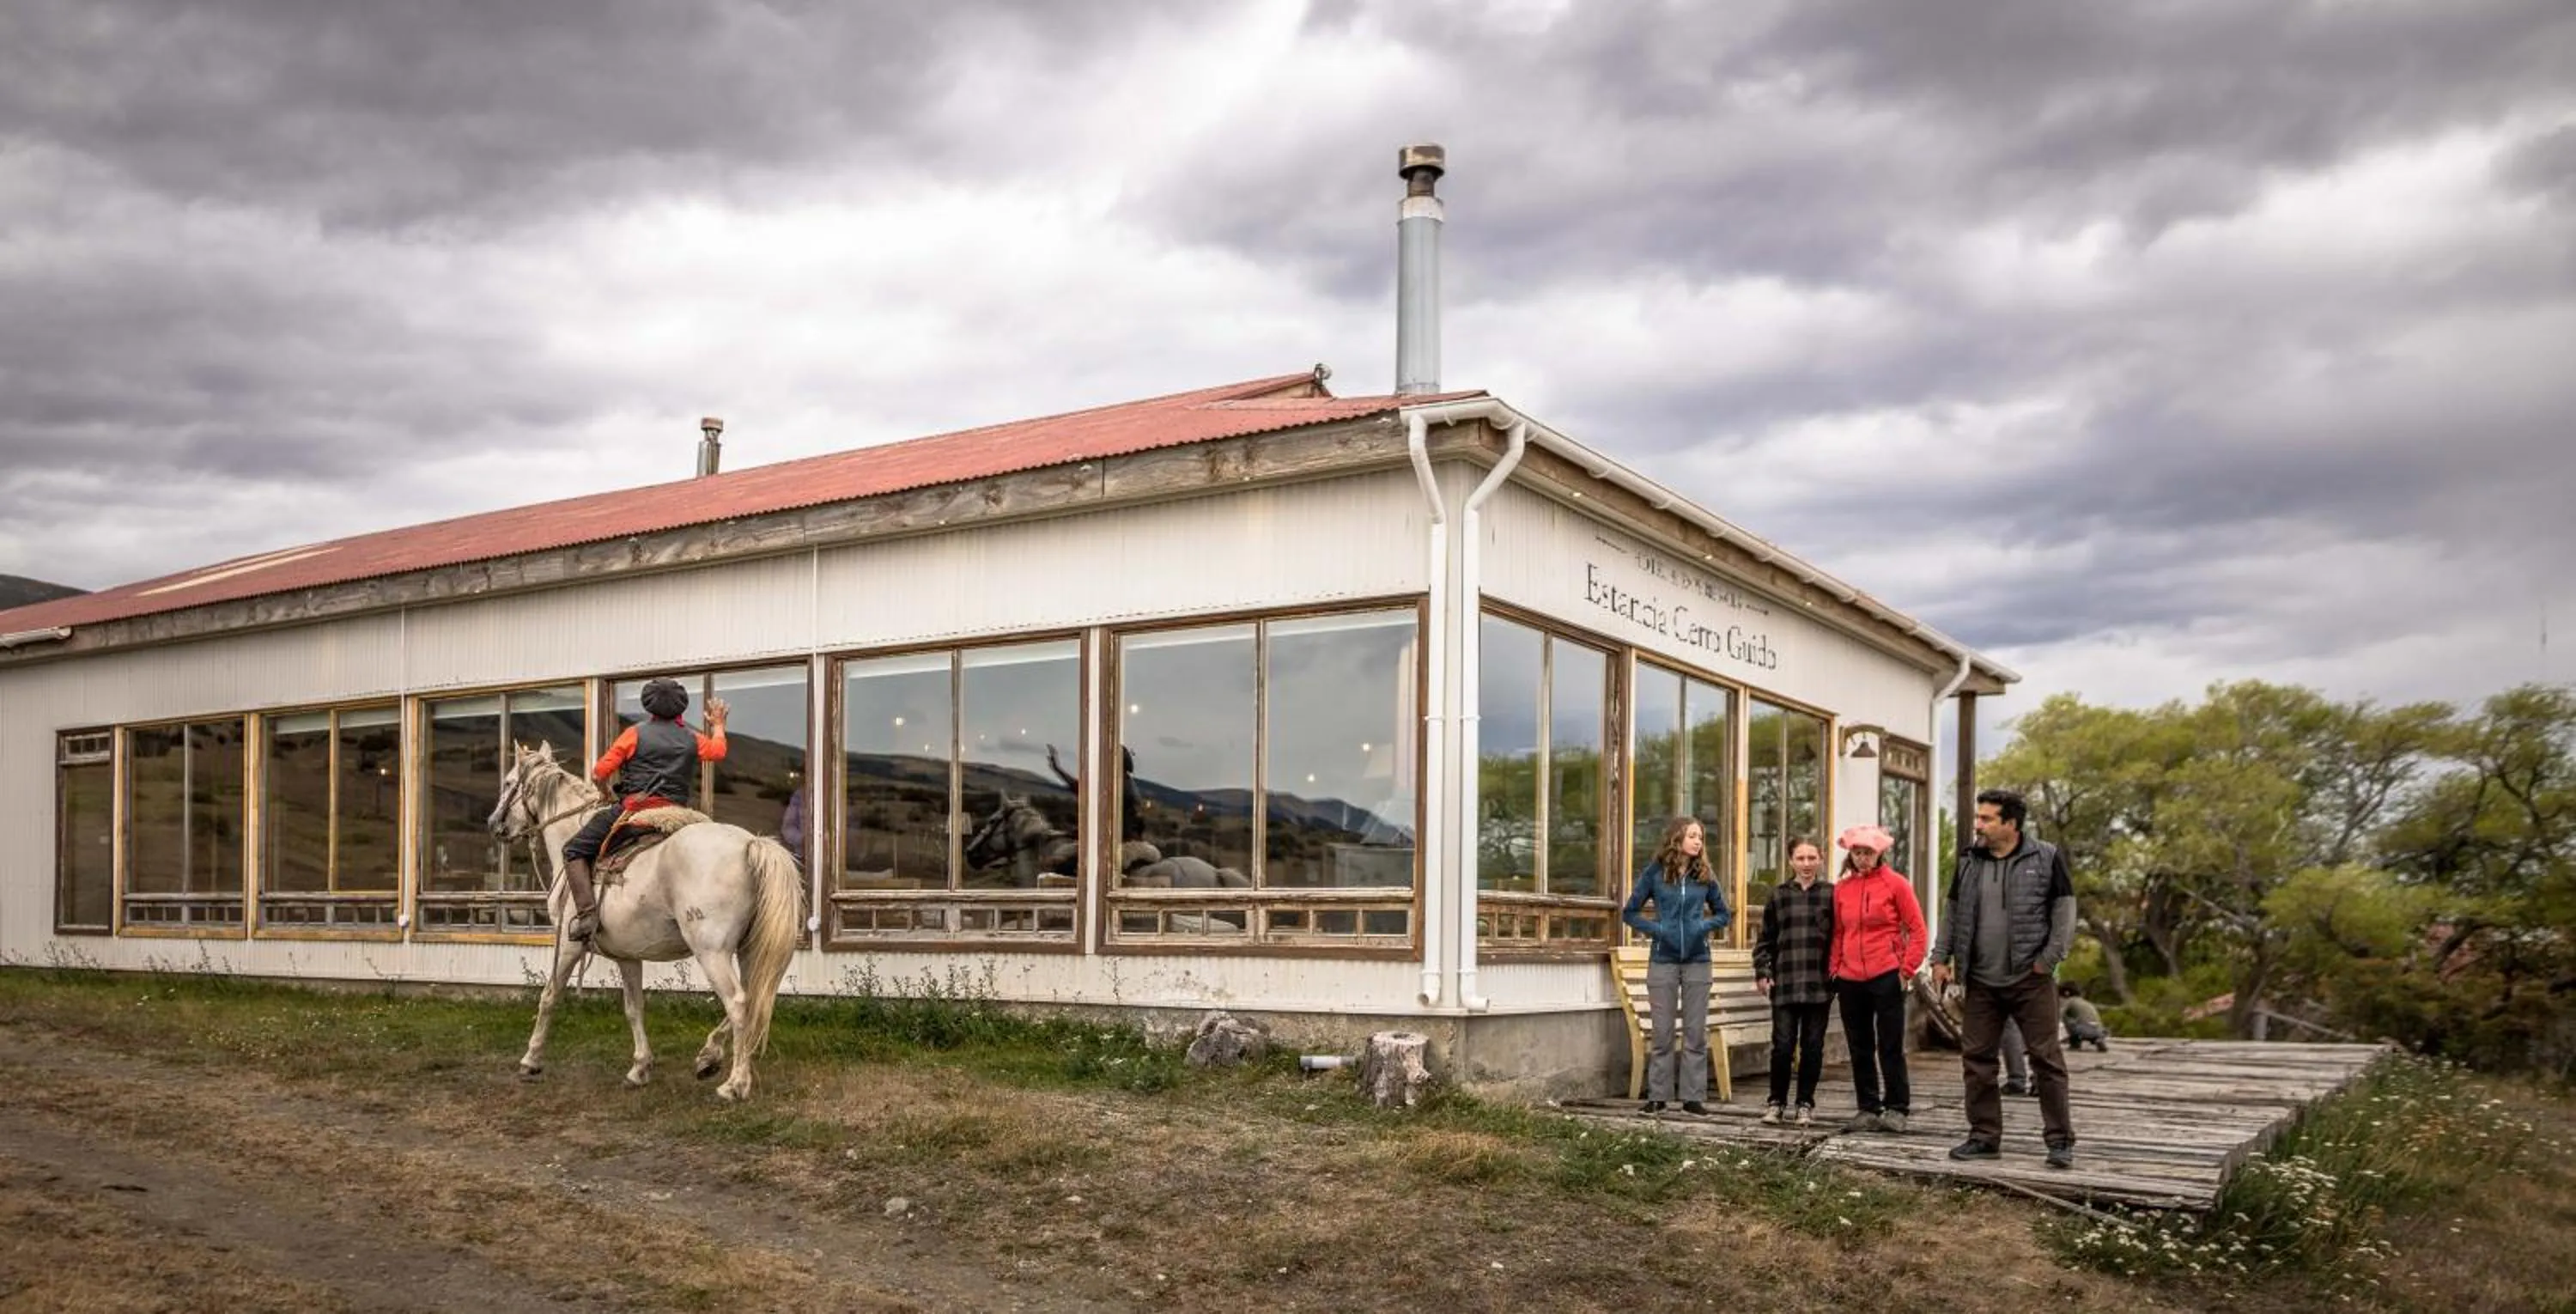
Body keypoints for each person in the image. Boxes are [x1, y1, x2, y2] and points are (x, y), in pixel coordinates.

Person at [1931, 788, 2081, 1170]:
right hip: (1980, 980)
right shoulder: (1969, 860)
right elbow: (1953, 911)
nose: (1977, 824)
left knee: (2046, 1059)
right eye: (1978, 817)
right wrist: (1940, 957)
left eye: (1986, 819)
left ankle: (2060, 1141)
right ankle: (1984, 1138)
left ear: (2010, 824)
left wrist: (2047, 962)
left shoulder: (2046, 858)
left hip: (2030, 979)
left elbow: (2065, 915)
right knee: (1977, 1059)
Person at [560, 678, 730, 942]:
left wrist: (604, 790)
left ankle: (587, 916)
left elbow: (599, 771)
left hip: (637, 812)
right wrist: (718, 724)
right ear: (681, 708)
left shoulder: (634, 733)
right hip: (678, 813)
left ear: (648, 705)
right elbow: (718, 752)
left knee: (573, 850)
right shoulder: (693, 737)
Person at [1621, 816, 1733, 1116]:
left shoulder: (1705, 875)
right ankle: (1658, 1096)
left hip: (1698, 961)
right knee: (1663, 1032)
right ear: (1677, 839)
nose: (1698, 841)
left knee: (1696, 1032)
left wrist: (1701, 926)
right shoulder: (1655, 874)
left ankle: (1692, 1098)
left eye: (1701, 837)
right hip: (1663, 960)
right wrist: (1658, 931)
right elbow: (1629, 913)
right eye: (1693, 836)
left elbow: (1724, 914)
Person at [1828, 824, 1927, 1134]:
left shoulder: (1896, 884)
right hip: (1849, 978)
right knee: (1859, 1045)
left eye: (1868, 853)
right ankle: (1868, 1107)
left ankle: (1897, 1107)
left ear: (1879, 853)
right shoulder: (1841, 889)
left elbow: (1918, 931)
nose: (1862, 858)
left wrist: (1906, 970)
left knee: (1890, 1044)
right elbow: (1838, 933)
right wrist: (1834, 968)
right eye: (1857, 853)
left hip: (1886, 974)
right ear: (1850, 855)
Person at [1753, 836, 1834, 1127]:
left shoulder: (1831, 895)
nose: (1807, 864)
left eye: (1812, 858)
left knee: (1813, 1047)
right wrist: (1763, 971)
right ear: (1790, 861)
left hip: (1819, 984)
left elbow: (1839, 940)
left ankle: (1805, 1105)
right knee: (1783, 1046)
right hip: (1785, 983)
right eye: (1801, 858)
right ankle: (1776, 1103)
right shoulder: (1778, 896)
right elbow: (1766, 941)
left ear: (1821, 859)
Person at [2062, 982, 2111, 1051]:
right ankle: (2098, 1039)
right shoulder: (2086, 1002)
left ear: (2066, 993)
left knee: (2066, 1018)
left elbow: (2059, 1015)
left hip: (2084, 1030)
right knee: (2086, 1023)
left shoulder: (2069, 1001)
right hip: (2100, 1030)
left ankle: (2075, 1043)